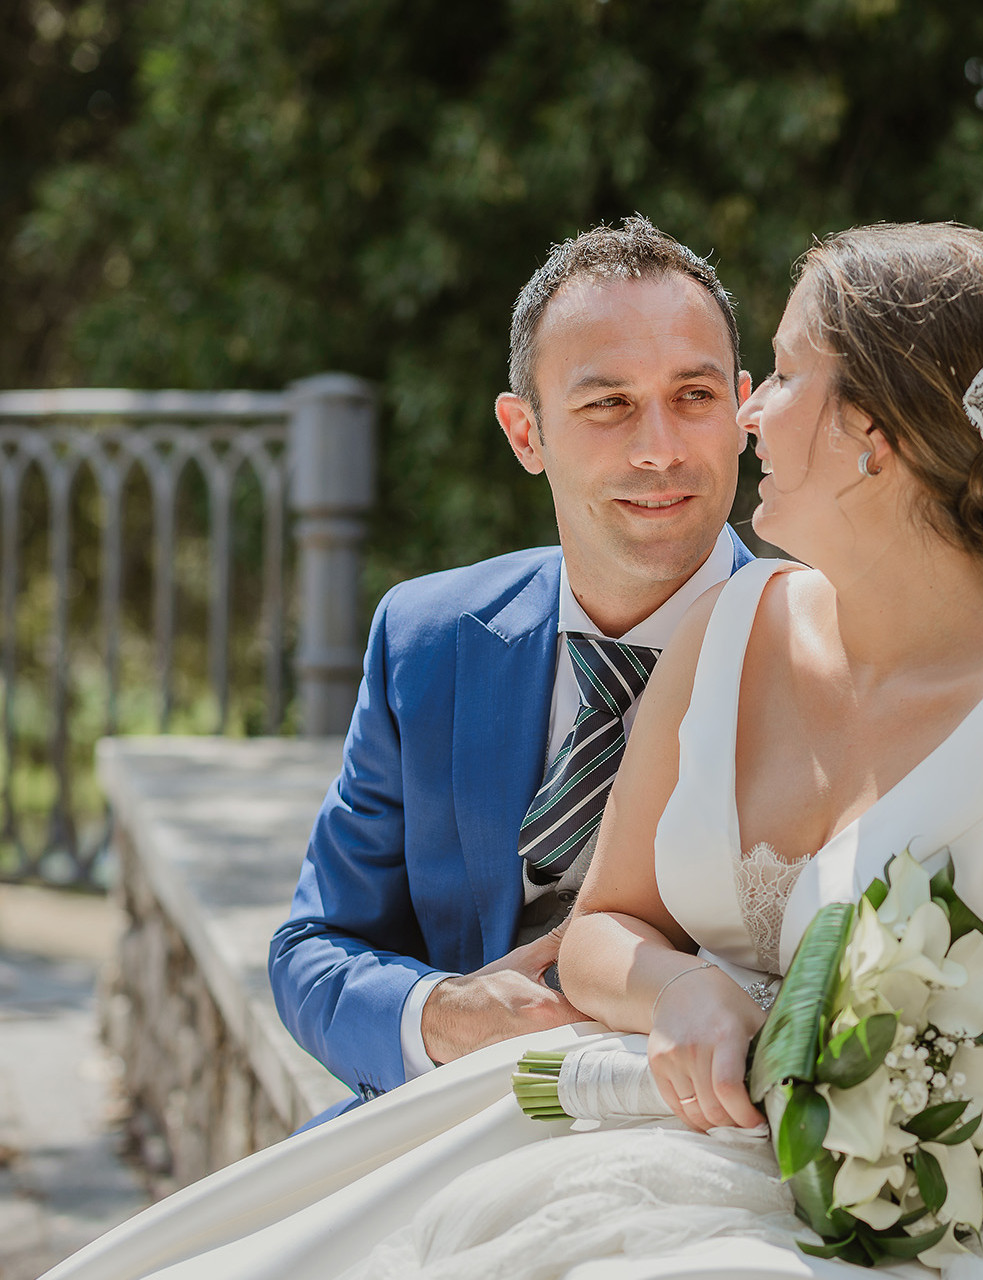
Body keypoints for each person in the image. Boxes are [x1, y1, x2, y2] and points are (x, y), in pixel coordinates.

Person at [48, 223, 983, 1280]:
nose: (714, 428)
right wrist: (550, 1003)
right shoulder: (705, 628)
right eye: (608, 405)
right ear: (527, 432)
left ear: (873, 435)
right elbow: (449, 937)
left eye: (752, 381)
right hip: (563, 1138)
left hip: (857, 1215)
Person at [267, 214, 757, 1115]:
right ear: (525, 433)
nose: (660, 446)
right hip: (452, 1129)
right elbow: (315, 947)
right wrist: (446, 1015)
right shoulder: (426, 638)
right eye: (608, 404)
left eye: (694, 395)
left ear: (742, 411)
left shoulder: (834, 651)